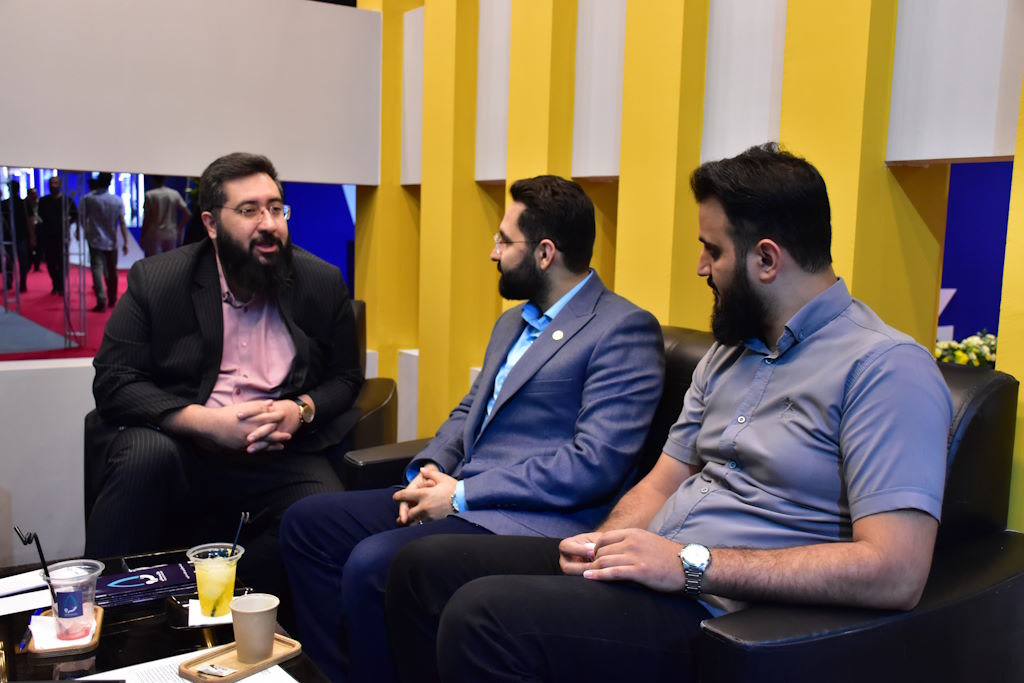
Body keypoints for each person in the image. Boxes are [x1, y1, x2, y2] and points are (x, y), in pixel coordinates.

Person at [384, 143, 955, 683]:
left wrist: (689, 564)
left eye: (713, 250)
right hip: (654, 569)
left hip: (726, 613)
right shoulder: (729, 354)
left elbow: (896, 571)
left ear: (766, 259)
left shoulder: (885, 369)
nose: (701, 267)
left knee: (483, 617)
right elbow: (661, 485)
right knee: (421, 568)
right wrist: (600, 545)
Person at [280, 175, 665, 682]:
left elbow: (592, 464)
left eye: (504, 241)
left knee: (374, 563)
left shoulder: (622, 329)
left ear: (545, 253)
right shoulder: (512, 323)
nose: (492, 253)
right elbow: (469, 411)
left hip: (530, 518)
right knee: (307, 524)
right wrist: (429, 469)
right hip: (459, 493)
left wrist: (462, 494)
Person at [85, 152, 364, 596]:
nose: (269, 224)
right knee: (142, 457)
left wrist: (301, 410)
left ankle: (223, 599)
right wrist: (205, 423)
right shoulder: (158, 280)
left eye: (276, 209)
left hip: (277, 455)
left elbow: (346, 378)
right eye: (249, 211)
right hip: (183, 448)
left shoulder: (320, 282)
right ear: (212, 224)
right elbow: (114, 381)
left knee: (322, 510)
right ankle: (109, 607)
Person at [77, 172, 130, 311]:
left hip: (95, 239)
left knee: (97, 269)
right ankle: (112, 297)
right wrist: (126, 241)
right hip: (111, 240)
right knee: (112, 270)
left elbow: (82, 218)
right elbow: (122, 222)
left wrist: (84, 231)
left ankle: (101, 299)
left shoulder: (88, 199)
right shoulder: (117, 200)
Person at [37, 176, 78, 295]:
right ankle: (56, 283)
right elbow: (40, 217)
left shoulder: (67, 200)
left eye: (55, 183)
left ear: (60, 185)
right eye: (51, 183)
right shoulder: (43, 201)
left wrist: (68, 223)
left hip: (62, 235)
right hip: (48, 236)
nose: (53, 185)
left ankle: (60, 285)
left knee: (62, 261)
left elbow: (75, 215)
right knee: (50, 262)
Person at [140, 174, 191, 257]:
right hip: (171, 233)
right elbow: (187, 214)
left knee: (153, 262)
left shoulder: (150, 195)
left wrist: (142, 236)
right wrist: (179, 229)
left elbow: (147, 218)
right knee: (169, 262)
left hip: (154, 234)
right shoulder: (174, 194)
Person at [2, 180, 33, 293]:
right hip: (18, 236)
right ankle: (21, 282)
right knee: (20, 261)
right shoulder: (22, 203)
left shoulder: (6, 204)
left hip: (12, 237)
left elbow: (30, 220)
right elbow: (30, 221)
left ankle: (12, 282)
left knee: (12, 262)